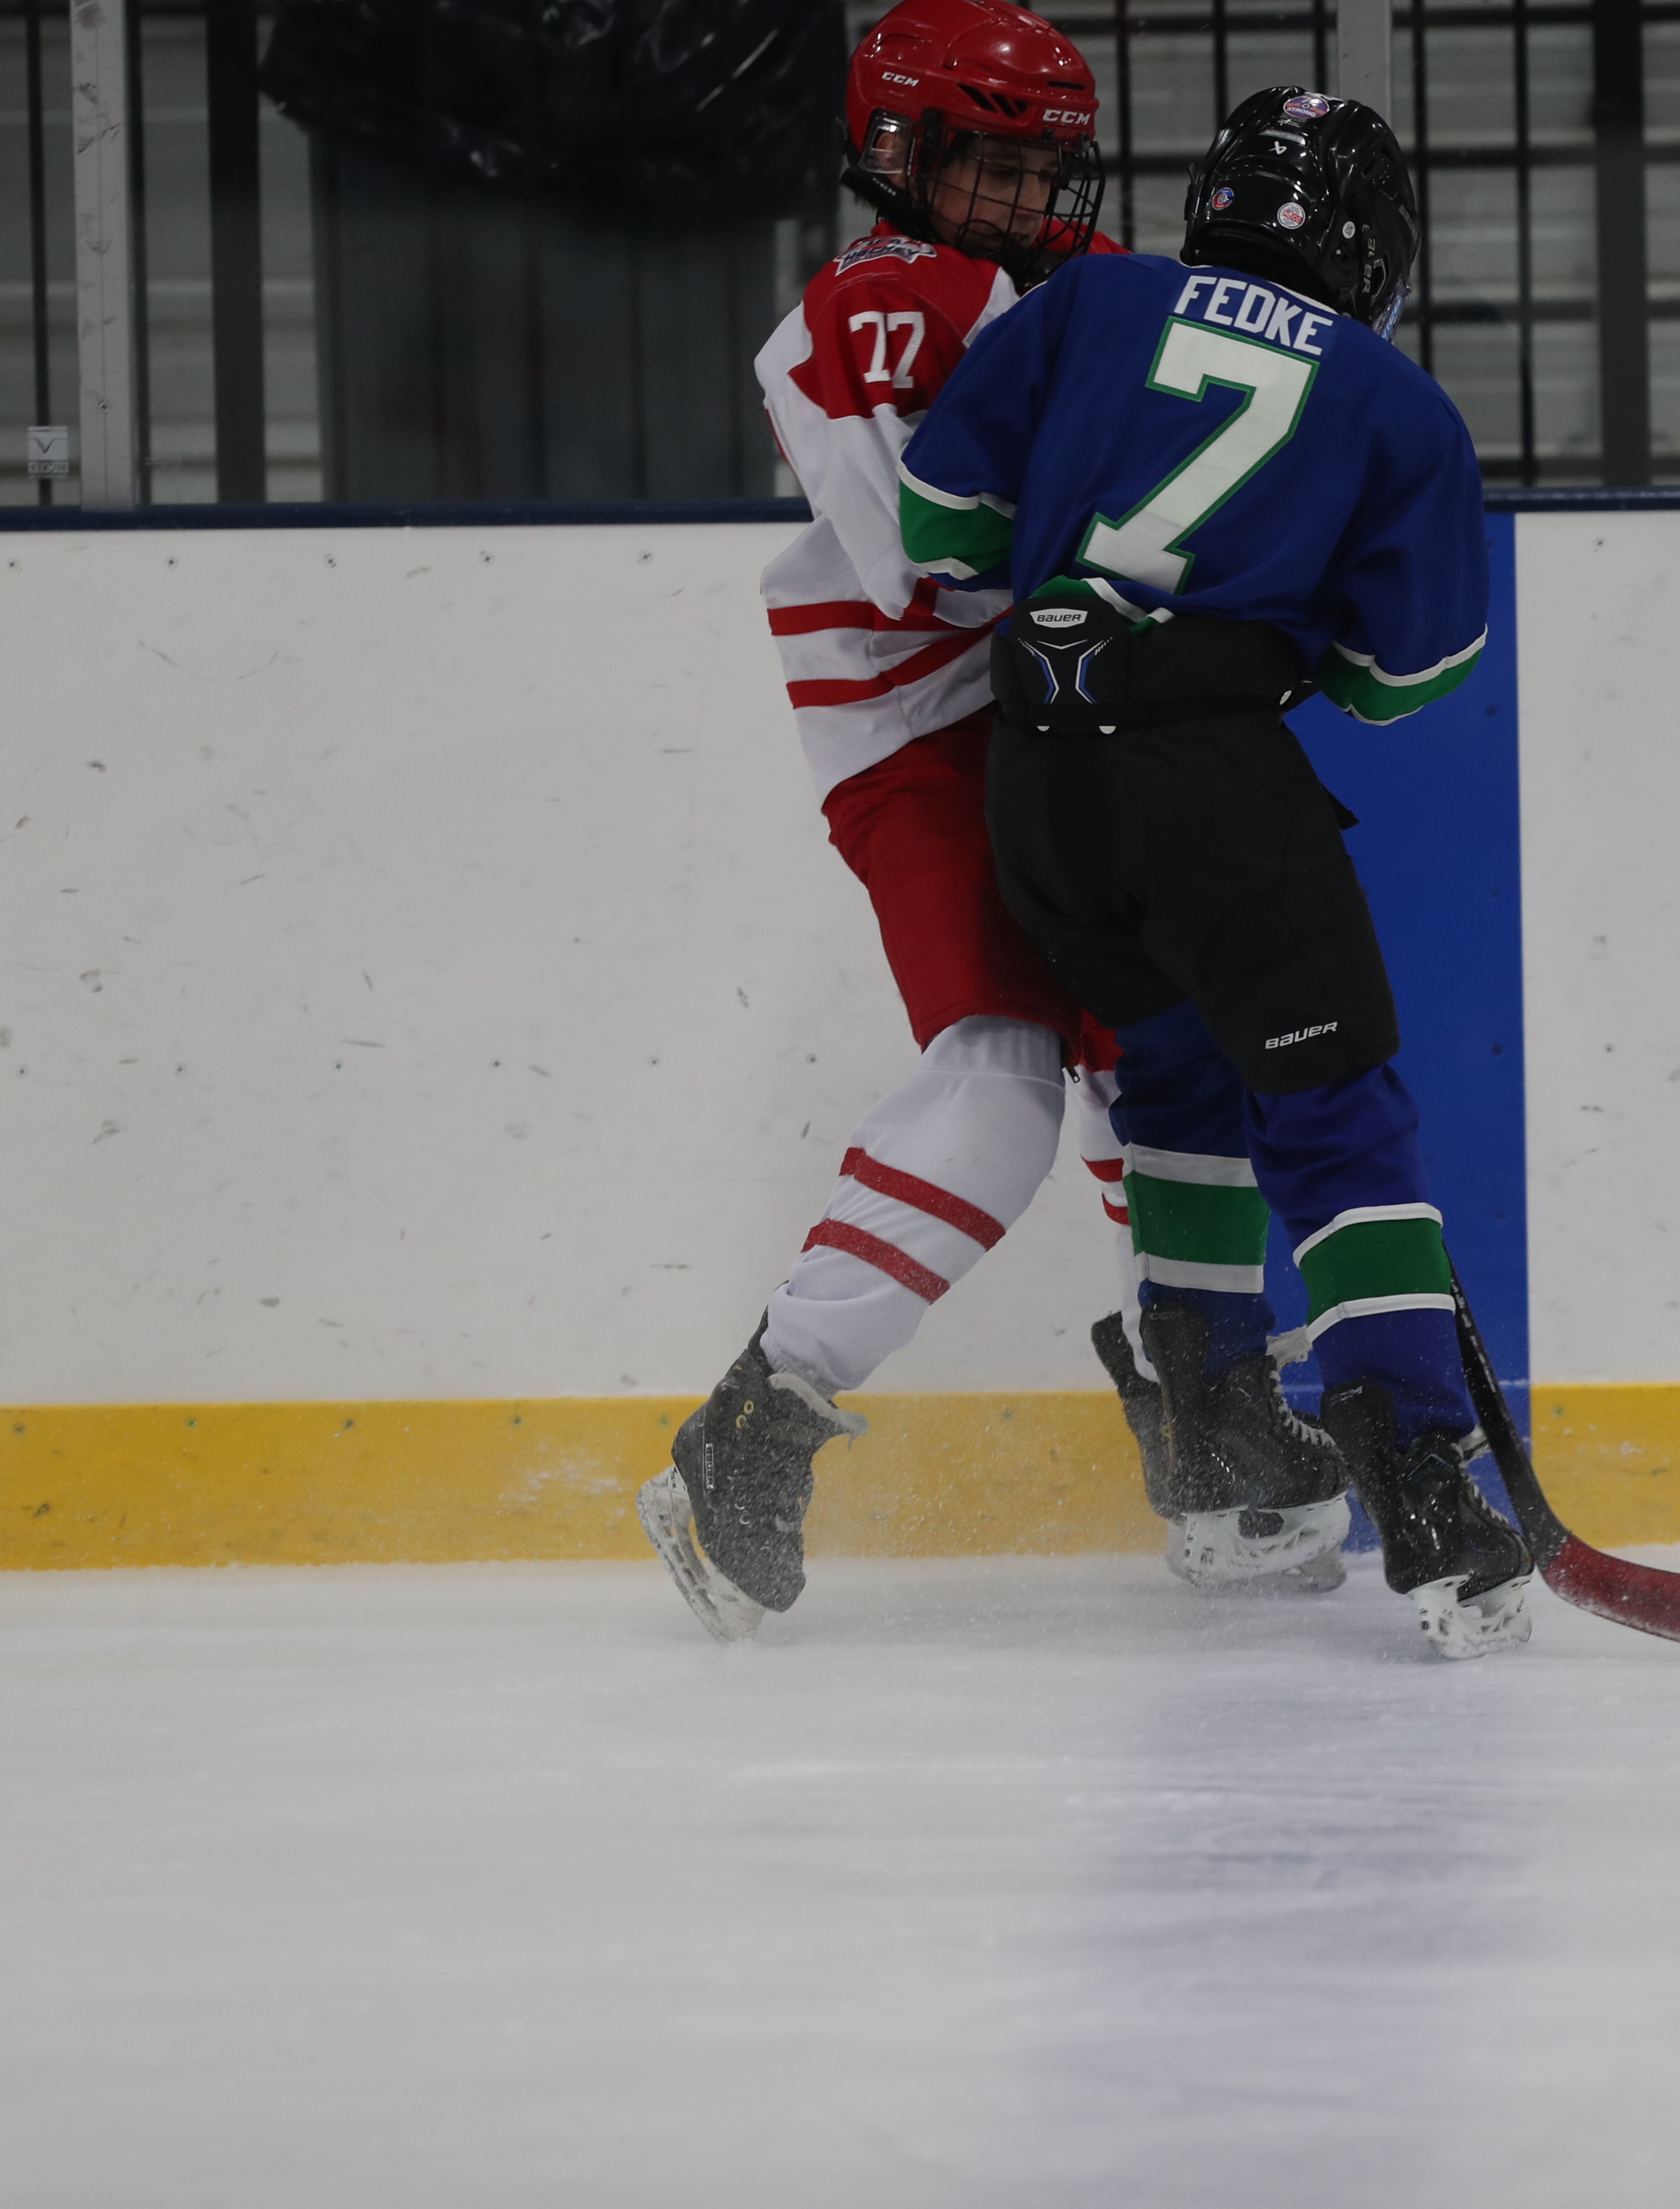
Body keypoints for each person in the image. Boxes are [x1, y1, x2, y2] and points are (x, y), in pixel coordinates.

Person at [637, 0, 1347, 1644]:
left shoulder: (1074, 285)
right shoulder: (877, 302)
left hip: (1073, 728)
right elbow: (935, 566)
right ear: (898, 149)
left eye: (1047, 168)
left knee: (1173, 1058)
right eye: (992, 165)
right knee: (1005, 1079)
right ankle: (760, 1415)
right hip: (929, 739)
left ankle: (1204, 1415)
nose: (1029, 197)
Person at [893, 86, 1536, 1659]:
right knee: (1339, 1120)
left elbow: (942, 525)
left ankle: (1223, 1454)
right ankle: (1425, 1482)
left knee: (1180, 1089)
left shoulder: (1087, 301)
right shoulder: (1395, 401)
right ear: (1372, 244)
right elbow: (1407, 676)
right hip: (1209, 784)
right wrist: (1276, 647)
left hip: (1040, 783)